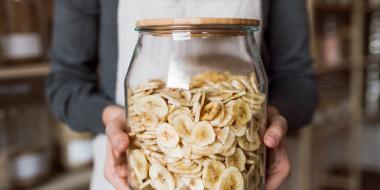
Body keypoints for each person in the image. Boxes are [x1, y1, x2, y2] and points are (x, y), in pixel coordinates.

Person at [46, 0, 316, 190]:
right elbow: (65, 83)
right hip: (136, 173)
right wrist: (114, 117)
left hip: (240, 173)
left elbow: (298, 81)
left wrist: (274, 116)